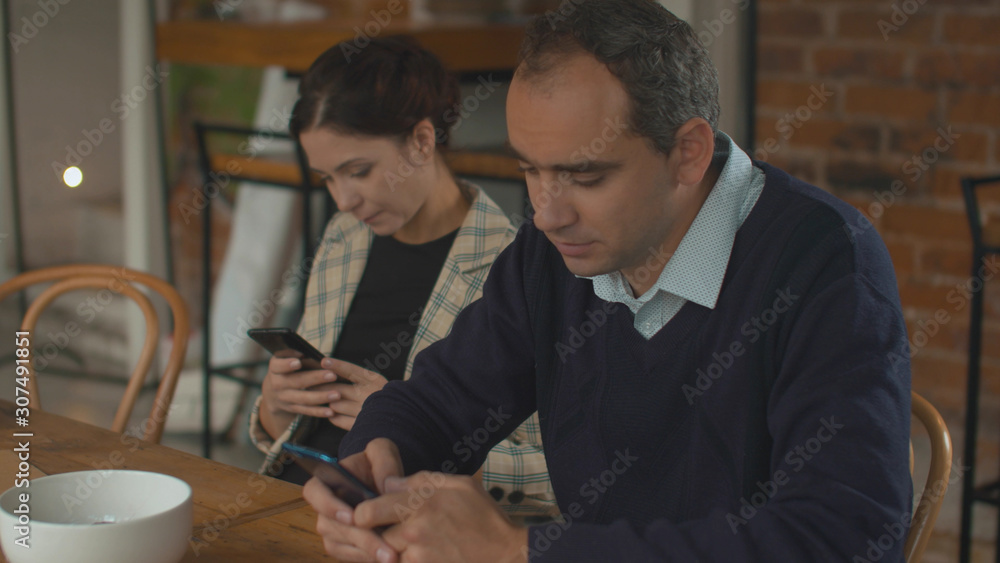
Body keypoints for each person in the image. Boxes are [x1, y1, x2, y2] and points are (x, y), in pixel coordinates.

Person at [303, 1, 912, 561]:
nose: (546, 213)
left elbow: (843, 538)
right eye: (530, 170)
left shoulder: (826, 265)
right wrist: (375, 463)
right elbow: (436, 401)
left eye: (585, 176)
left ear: (689, 153)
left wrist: (517, 550)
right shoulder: (550, 253)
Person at [247, 36, 556, 518]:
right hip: (300, 500)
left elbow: (554, 471)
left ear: (422, 141)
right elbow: (286, 433)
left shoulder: (512, 265)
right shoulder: (345, 237)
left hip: (400, 523)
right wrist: (276, 406)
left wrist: (408, 424)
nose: (343, 200)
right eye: (327, 178)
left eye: (358, 171)